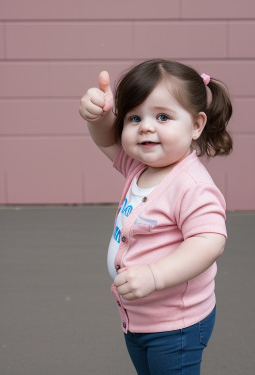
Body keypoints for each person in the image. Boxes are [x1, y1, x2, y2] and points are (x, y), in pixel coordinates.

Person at [79, 59, 233, 375]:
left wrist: (154, 275)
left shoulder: (192, 186)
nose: (146, 126)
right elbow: (106, 138)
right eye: (134, 118)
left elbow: (209, 241)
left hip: (176, 323)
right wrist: (99, 116)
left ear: (196, 125)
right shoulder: (139, 167)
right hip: (138, 315)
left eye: (162, 116)